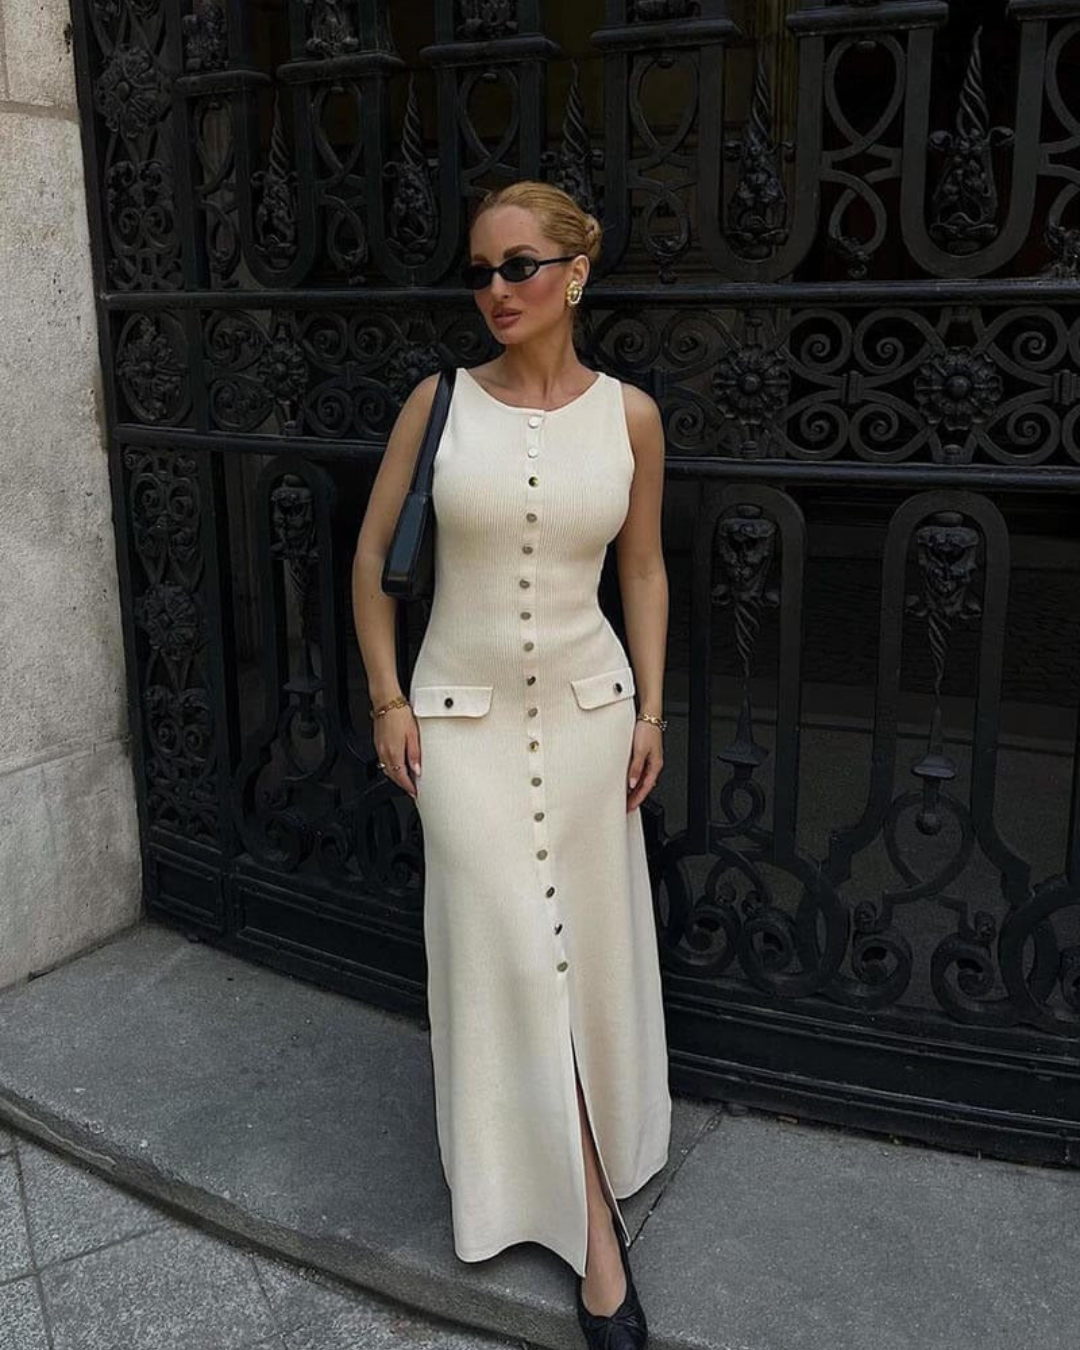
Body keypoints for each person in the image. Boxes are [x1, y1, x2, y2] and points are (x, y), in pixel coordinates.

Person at [352, 179, 672, 1349]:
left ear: (576, 273)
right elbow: (372, 562)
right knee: (511, 953)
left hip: (591, 723)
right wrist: (388, 698)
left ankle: (586, 1170)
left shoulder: (631, 417)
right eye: (481, 271)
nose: (496, 289)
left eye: (520, 265)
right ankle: (595, 1239)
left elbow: (643, 569)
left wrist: (651, 712)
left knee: (577, 957)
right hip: (460, 726)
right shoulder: (437, 403)